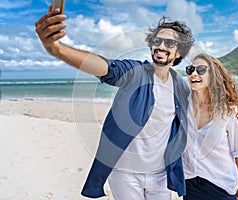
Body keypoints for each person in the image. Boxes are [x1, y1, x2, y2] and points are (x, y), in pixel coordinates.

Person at [35, 6, 194, 200]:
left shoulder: (181, 86)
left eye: (169, 43)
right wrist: (58, 50)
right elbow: (107, 68)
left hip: (160, 175)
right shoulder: (135, 71)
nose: (161, 46)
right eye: (157, 40)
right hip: (125, 173)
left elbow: (199, 112)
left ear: (178, 53)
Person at [182, 53, 238, 200]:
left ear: (213, 75)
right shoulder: (183, 106)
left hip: (220, 186)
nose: (194, 73)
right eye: (190, 69)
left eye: (201, 70)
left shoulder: (228, 110)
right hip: (190, 185)